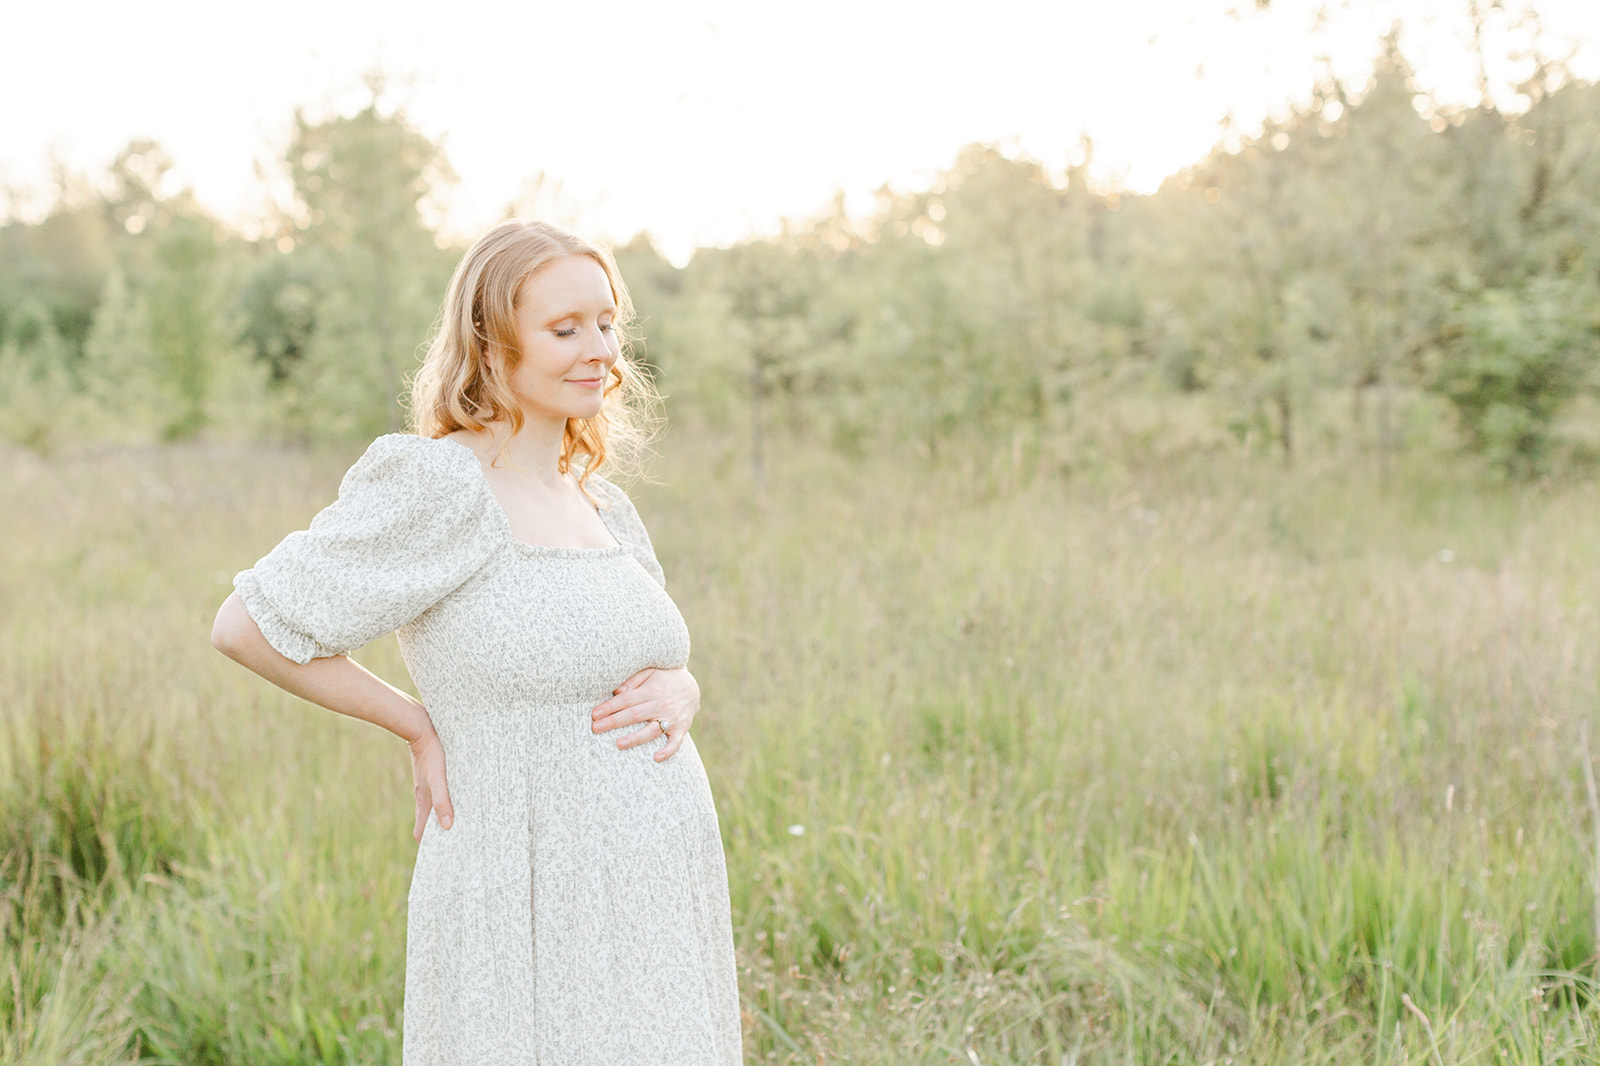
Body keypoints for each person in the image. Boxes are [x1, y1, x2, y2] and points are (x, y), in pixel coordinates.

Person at [210, 220, 742, 1065]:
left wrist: (687, 688)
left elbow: (642, 657)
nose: (598, 348)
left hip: (655, 888)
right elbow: (247, 625)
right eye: (564, 329)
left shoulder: (599, 502)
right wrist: (417, 723)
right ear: (493, 347)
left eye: (606, 323)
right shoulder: (441, 484)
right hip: (523, 882)